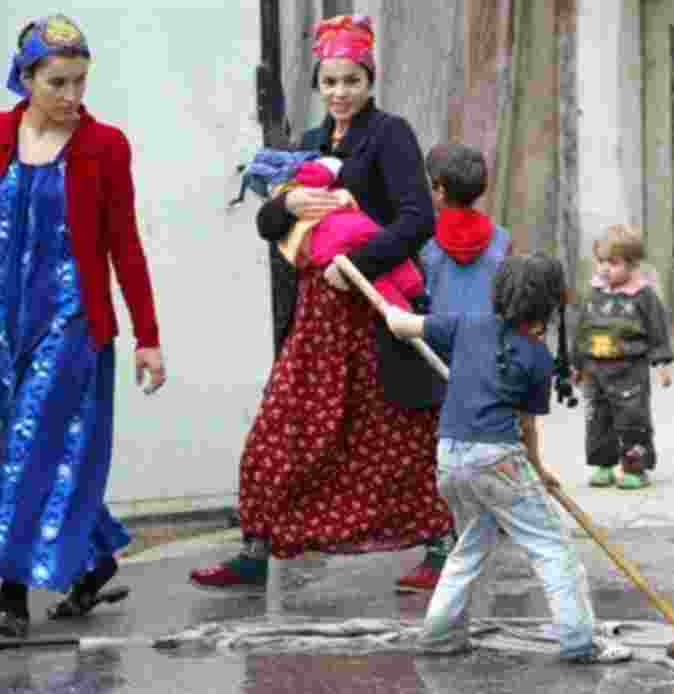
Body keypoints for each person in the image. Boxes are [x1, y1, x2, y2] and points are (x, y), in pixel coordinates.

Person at [190, 14, 454, 593]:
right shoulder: (307, 145)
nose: (340, 94)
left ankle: (440, 544)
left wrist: (356, 264)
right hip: (316, 319)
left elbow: (417, 220)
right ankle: (256, 546)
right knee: (283, 428)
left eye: (351, 81)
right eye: (330, 82)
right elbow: (266, 221)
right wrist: (291, 205)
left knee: (399, 433)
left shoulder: (390, 135)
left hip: (375, 310)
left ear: (370, 79)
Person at [0, 14, 166, 638]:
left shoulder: (105, 146)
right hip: (4, 322)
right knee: (31, 450)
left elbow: (126, 245)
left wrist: (147, 336)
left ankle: (11, 596)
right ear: (25, 78)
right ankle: (96, 557)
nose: (71, 97)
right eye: (58, 83)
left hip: (74, 322)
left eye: (80, 83)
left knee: (31, 450)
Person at [384, 253, 633, 664]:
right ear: (550, 305)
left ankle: (440, 634)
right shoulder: (537, 357)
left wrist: (388, 306)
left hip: (449, 456)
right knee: (553, 548)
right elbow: (525, 427)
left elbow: (399, 325)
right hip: (498, 460)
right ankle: (578, 640)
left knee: (469, 545)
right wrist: (536, 468)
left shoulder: (466, 323)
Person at [234, 151, 426, 310]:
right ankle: (415, 294)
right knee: (385, 259)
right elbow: (266, 226)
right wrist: (287, 201)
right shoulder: (309, 157)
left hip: (324, 249)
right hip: (352, 229)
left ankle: (404, 310)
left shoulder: (382, 133)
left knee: (374, 279)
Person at [571, 224, 673, 490]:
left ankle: (634, 468)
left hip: (629, 371)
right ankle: (603, 464)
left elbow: (657, 329)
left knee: (632, 420)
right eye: (601, 261)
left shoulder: (643, 296)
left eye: (613, 263)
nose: (605, 268)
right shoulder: (595, 293)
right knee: (597, 419)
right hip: (595, 370)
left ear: (632, 264)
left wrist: (661, 363)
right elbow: (583, 329)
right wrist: (576, 364)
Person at [419, 143, 512, 362]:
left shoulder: (424, 239)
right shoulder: (502, 240)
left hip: (435, 351)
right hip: (484, 352)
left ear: (440, 190)